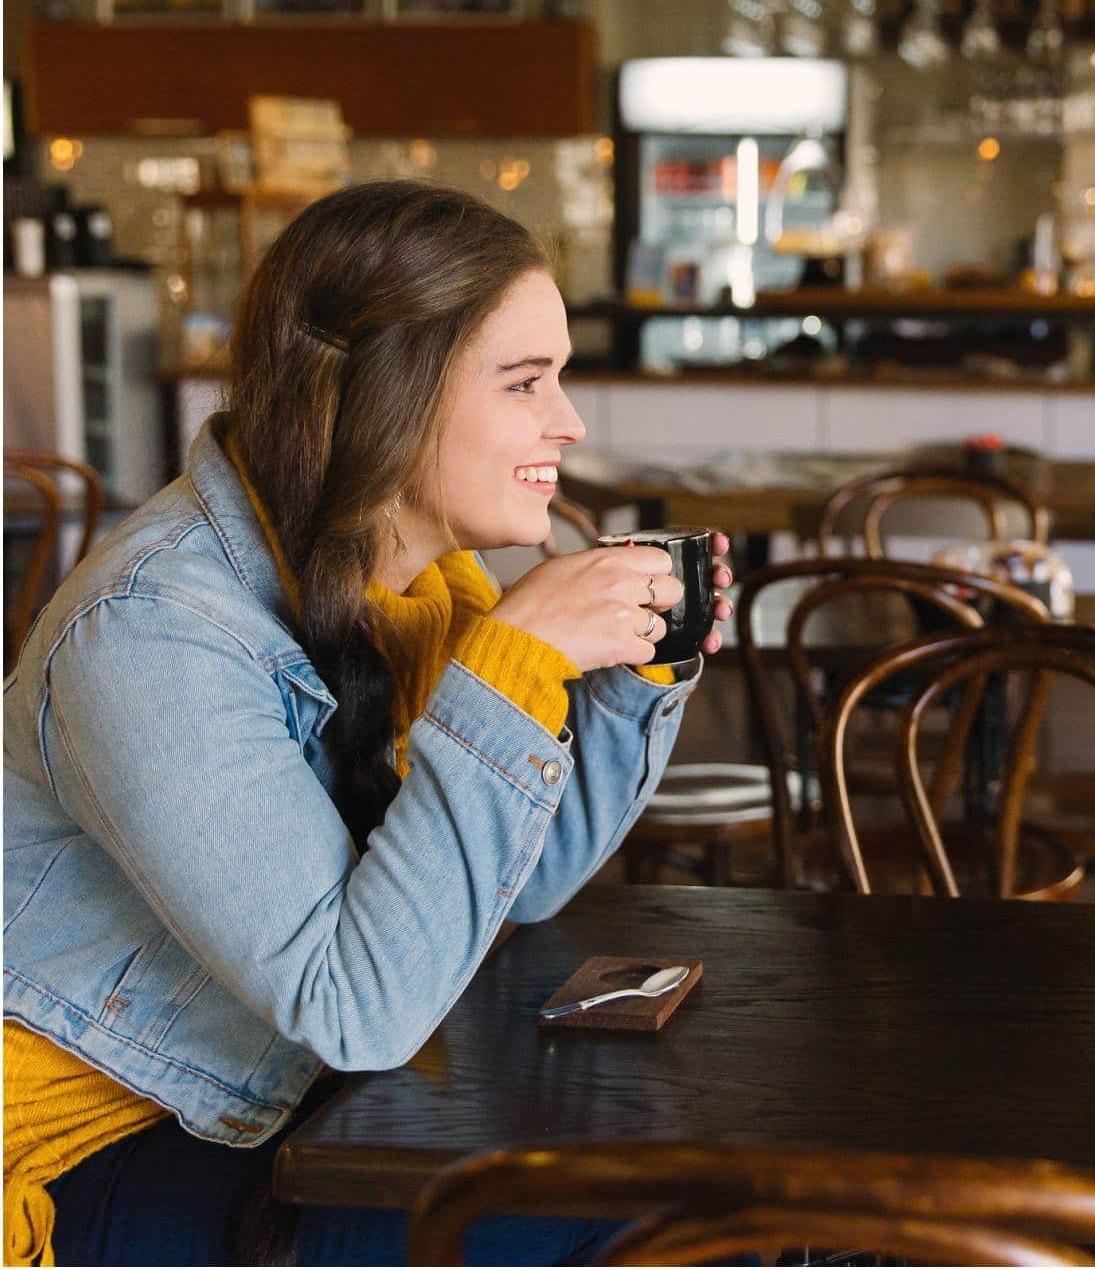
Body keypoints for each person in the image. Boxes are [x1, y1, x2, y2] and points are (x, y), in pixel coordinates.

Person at [2, 181, 736, 1265]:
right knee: (641, 1209)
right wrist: (512, 673)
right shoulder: (153, 632)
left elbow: (512, 887)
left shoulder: (422, 588)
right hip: (91, 1134)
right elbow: (359, 1006)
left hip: (258, 1092)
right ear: (386, 395)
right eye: (527, 381)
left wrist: (628, 678)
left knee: (688, 1172)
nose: (569, 421)